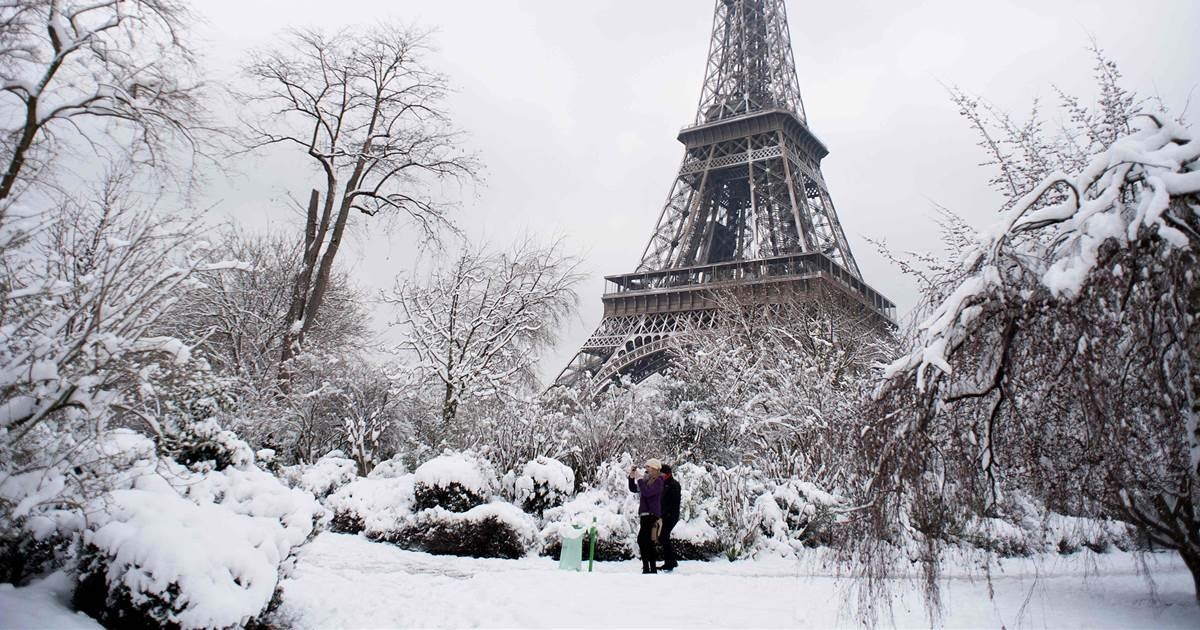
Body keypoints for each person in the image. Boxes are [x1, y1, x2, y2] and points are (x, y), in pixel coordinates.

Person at [627, 458, 664, 574]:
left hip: (651, 515)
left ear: (654, 468)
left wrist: (639, 480)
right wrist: (632, 477)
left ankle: (648, 568)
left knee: (643, 540)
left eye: (648, 467)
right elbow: (634, 489)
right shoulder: (646, 480)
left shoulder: (659, 481)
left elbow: (647, 493)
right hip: (644, 515)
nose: (646, 470)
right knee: (647, 541)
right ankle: (650, 568)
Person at [658, 464, 681, 572]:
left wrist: (664, 514)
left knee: (663, 536)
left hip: (670, 516)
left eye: (662, 473)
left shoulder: (674, 485)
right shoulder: (662, 483)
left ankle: (670, 562)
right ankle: (671, 561)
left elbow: (672, 503)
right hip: (663, 515)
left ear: (667, 474)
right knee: (663, 537)